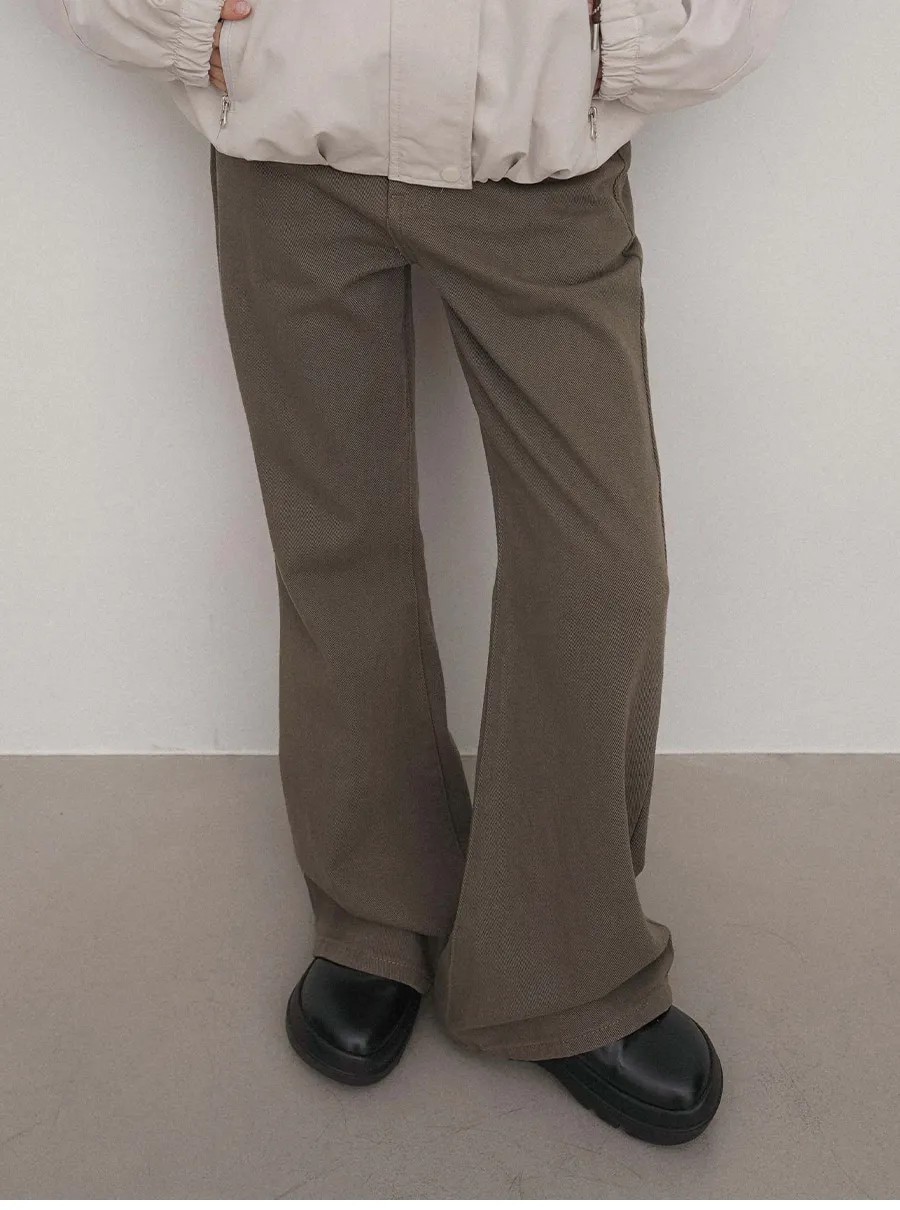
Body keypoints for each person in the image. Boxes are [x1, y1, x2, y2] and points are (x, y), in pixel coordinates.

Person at [37, 0, 791, 1146]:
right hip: (295, 143)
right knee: (338, 549)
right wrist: (193, 18)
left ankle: (563, 955)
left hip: (536, 156)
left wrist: (633, 33)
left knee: (602, 568)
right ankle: (375, 910)